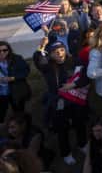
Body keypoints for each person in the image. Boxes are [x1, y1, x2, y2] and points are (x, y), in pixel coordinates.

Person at [33, 37, 88, 166]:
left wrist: (74, 85)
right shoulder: (48, 67)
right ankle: (66, 153)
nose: (60, 54)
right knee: (62, 129)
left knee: (79, 123)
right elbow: (38, 61)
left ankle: (82, 144)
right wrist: (41, 47)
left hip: (75, 99)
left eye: (62, 50)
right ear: (50, 55)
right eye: (55, 52)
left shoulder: (73, 62)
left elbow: (84, 77)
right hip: (59, 102)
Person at [0, 41, 30, 122]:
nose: (2, 52)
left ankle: (22, 126)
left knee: (18, 111)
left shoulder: (17, 58)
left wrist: (13, 78)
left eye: (4, 50)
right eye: (0, 50)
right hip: (2, 92)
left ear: (9, 50)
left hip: (16, 90)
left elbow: (26, 71)